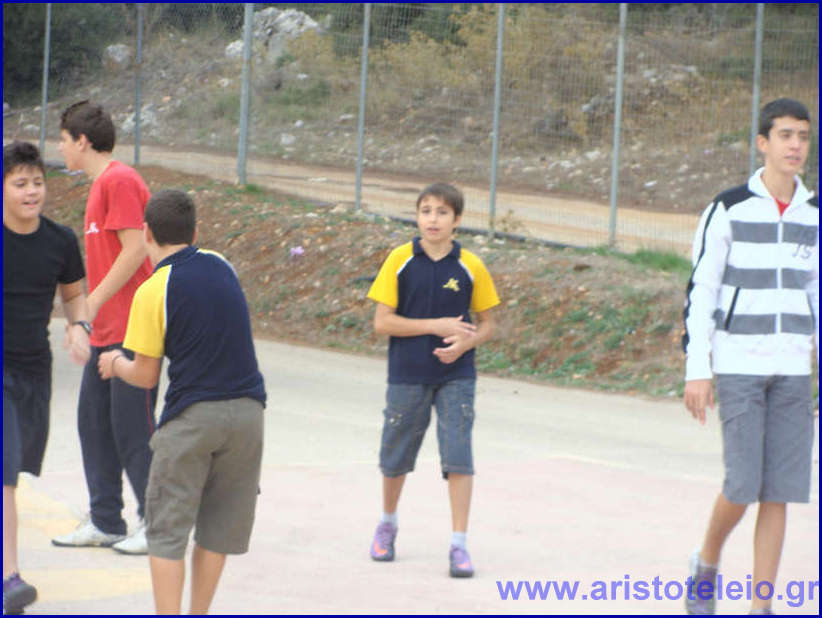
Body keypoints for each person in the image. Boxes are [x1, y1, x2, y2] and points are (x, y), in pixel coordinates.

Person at [97, 189, 266, 614]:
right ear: (195, 232)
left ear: (146, 233)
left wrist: (115, 362)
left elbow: (146, 375)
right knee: (217, 531)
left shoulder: (153, 289)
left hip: (193, 417)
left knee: (167, 532)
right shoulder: (222, 265)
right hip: (249, 413)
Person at [682, 98, 818, 615]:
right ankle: (707, 561)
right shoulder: (729, 207)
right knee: (741, 487)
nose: (795, 145)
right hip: (738, 364)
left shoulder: (814, 214)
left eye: (803, 136)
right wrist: (698, 370)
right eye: (785, 135)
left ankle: (761, 607)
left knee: (779, 492)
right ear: (763, 143)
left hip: (793, 370)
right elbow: (702, 290)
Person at [366, 182, 500, 578]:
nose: (433, 219)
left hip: (457, 375)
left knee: (458, 456)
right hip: (407, 373)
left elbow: (489, 324)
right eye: (426, 211)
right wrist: (434, 325)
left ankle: (459, 544)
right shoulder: (399, 259)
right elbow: (382, 322)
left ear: (457, 220)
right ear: (417, 216)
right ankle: (387, 524)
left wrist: (466, 343)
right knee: (395, 456)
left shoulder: (471, 266)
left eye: (442, 212)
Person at [51, 100, 157, 555]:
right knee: (94, 425)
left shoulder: (120, 180)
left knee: (134, 431)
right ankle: (106, 520)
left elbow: (136, 249)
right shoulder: (99, 187)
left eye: (63, 139)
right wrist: (87, 319)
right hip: (106, 331)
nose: (59, 147)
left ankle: (158, 524)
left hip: (135, 329)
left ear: (82, 141)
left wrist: (90, 305)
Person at [3, 141, 91, 614]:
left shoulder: (60, 241)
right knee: (4, 475)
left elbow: (74, 295)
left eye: (37, 182)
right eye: (20, 183)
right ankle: (9, 577)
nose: (31, 191)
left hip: (33, 371)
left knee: (14, 469)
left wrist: (79, 326)